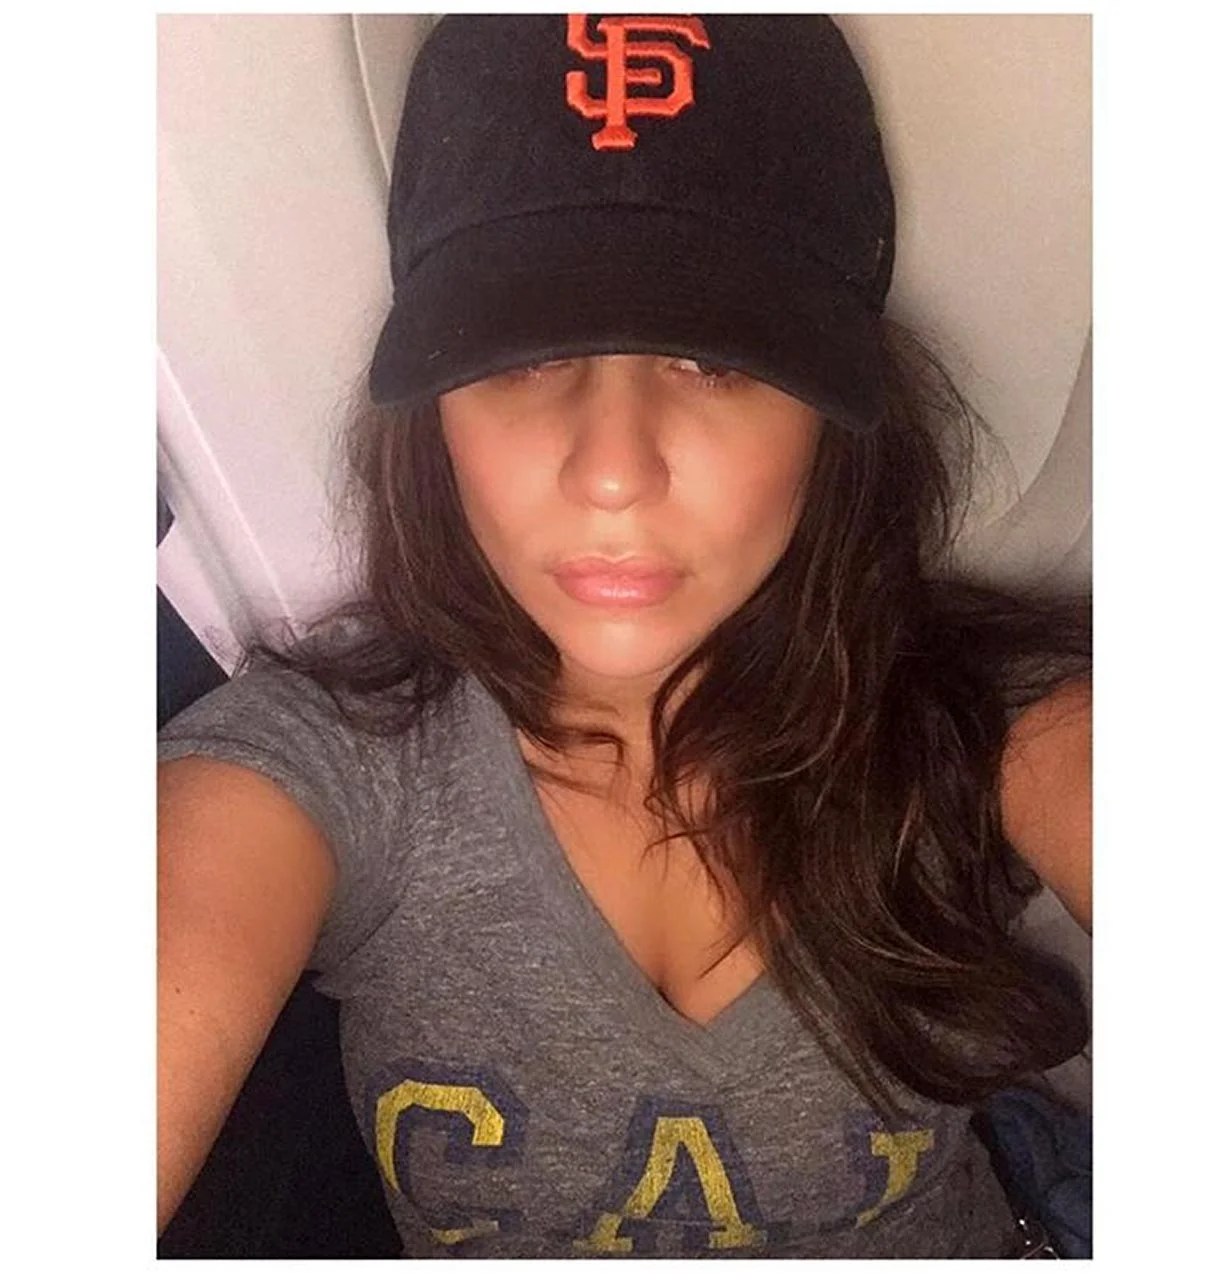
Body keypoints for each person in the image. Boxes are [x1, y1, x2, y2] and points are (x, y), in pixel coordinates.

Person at [157, 14, 1091, 1259]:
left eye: (708, 358)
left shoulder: (989, 719)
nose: (610, 470)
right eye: (525, 354)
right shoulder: (323, 765)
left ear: (833, 413)